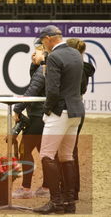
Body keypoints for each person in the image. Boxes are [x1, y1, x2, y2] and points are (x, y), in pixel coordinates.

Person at [33, 25, 84, 214]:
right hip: (76, 111)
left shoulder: (54, 57)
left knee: (46, 155)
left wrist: (46, 111)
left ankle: (55, 202)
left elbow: (52, 90)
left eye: (43, 42)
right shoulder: (75, 54)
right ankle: (69, 203)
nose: (43, 45)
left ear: (48, 39)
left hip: (60, 112)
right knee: (67, 156)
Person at [11, 45, 49, 199]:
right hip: (42, 116)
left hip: (37, 116)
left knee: (24, 151)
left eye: (37, 52)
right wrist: (34, 64)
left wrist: (18, 109)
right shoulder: (44, 69)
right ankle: (47, 187)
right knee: (45, 152)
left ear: (44, 54)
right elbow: (36, 82)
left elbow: (32, 90)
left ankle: (26, 189)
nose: (34, 54)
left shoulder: (43, 70)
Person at [65, 38, 96, 201]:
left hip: (70, 108)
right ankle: (73, 188)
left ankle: (71, 189)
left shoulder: (78, 70)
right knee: (71, 149)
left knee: (68, 150)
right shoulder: (83, 68)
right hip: (78, 107)